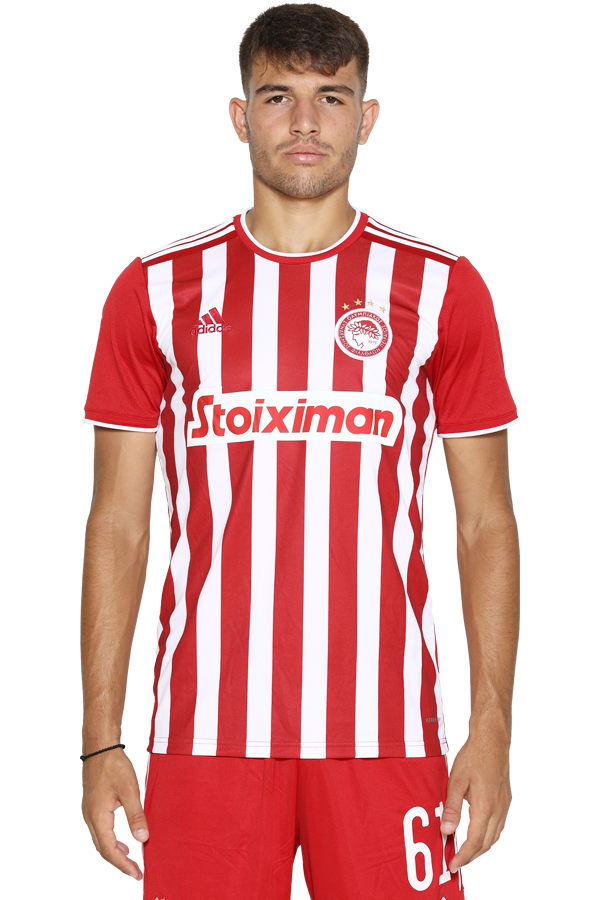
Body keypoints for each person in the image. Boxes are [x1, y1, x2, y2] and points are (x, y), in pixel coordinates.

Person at [81, 5, 519, 899]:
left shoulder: (441, 289)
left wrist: (490, 726)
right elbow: (119, 524)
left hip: (388, 729)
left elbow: (482, 522)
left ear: (369, 117)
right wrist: (100, 740)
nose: (307, 122)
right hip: (204, 729)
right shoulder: (155, 291)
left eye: (333, 97)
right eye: (280, 97)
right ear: (241, 116)